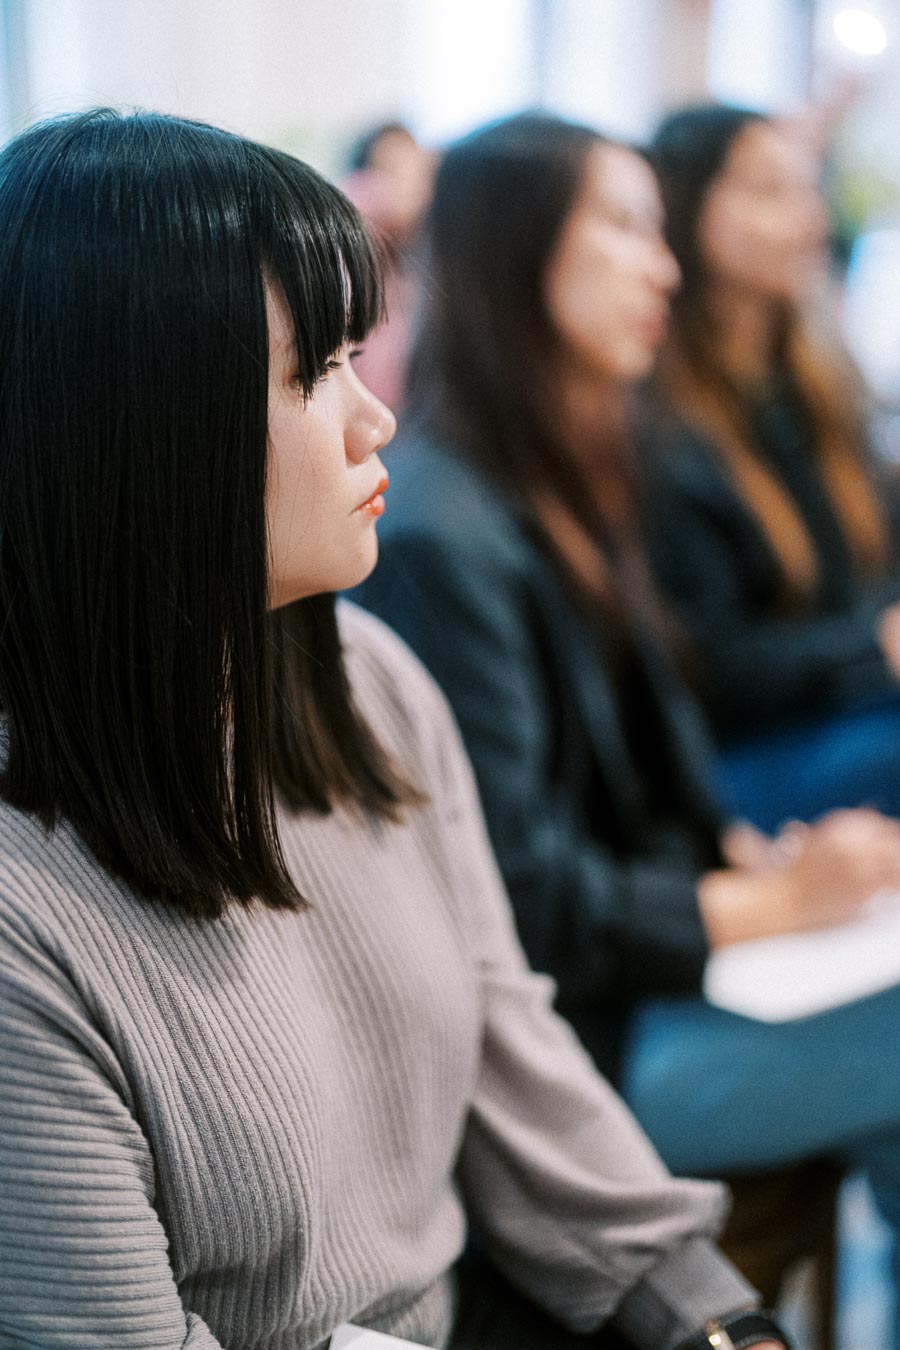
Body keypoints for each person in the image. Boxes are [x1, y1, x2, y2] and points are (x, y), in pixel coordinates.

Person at [0, 109, 789, 1350]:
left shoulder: (370, 682)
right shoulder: (25, 924)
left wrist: (712, 1317)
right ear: (139, 429)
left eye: (358, 357)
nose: (375, 419)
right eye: (314, 374)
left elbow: (503, 1038)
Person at [353, 111, 900, 1343]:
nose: (662, 269)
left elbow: (645, 782)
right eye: (625, 229)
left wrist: (754, 864)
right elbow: (520, 906)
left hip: (654, 997)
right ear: (516, 254)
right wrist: (776, 904)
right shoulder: (443, 533)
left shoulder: (580, 477)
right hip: (566, 1073)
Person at [643, 103, 900, 832]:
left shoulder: (812, 381)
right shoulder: (660, 417)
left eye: (804, 188)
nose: (807, 220)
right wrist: (873, 644)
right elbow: (710, 667)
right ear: (687, 206)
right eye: (767, 191)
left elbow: (874, 559)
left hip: (842, 713)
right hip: (742, 756)